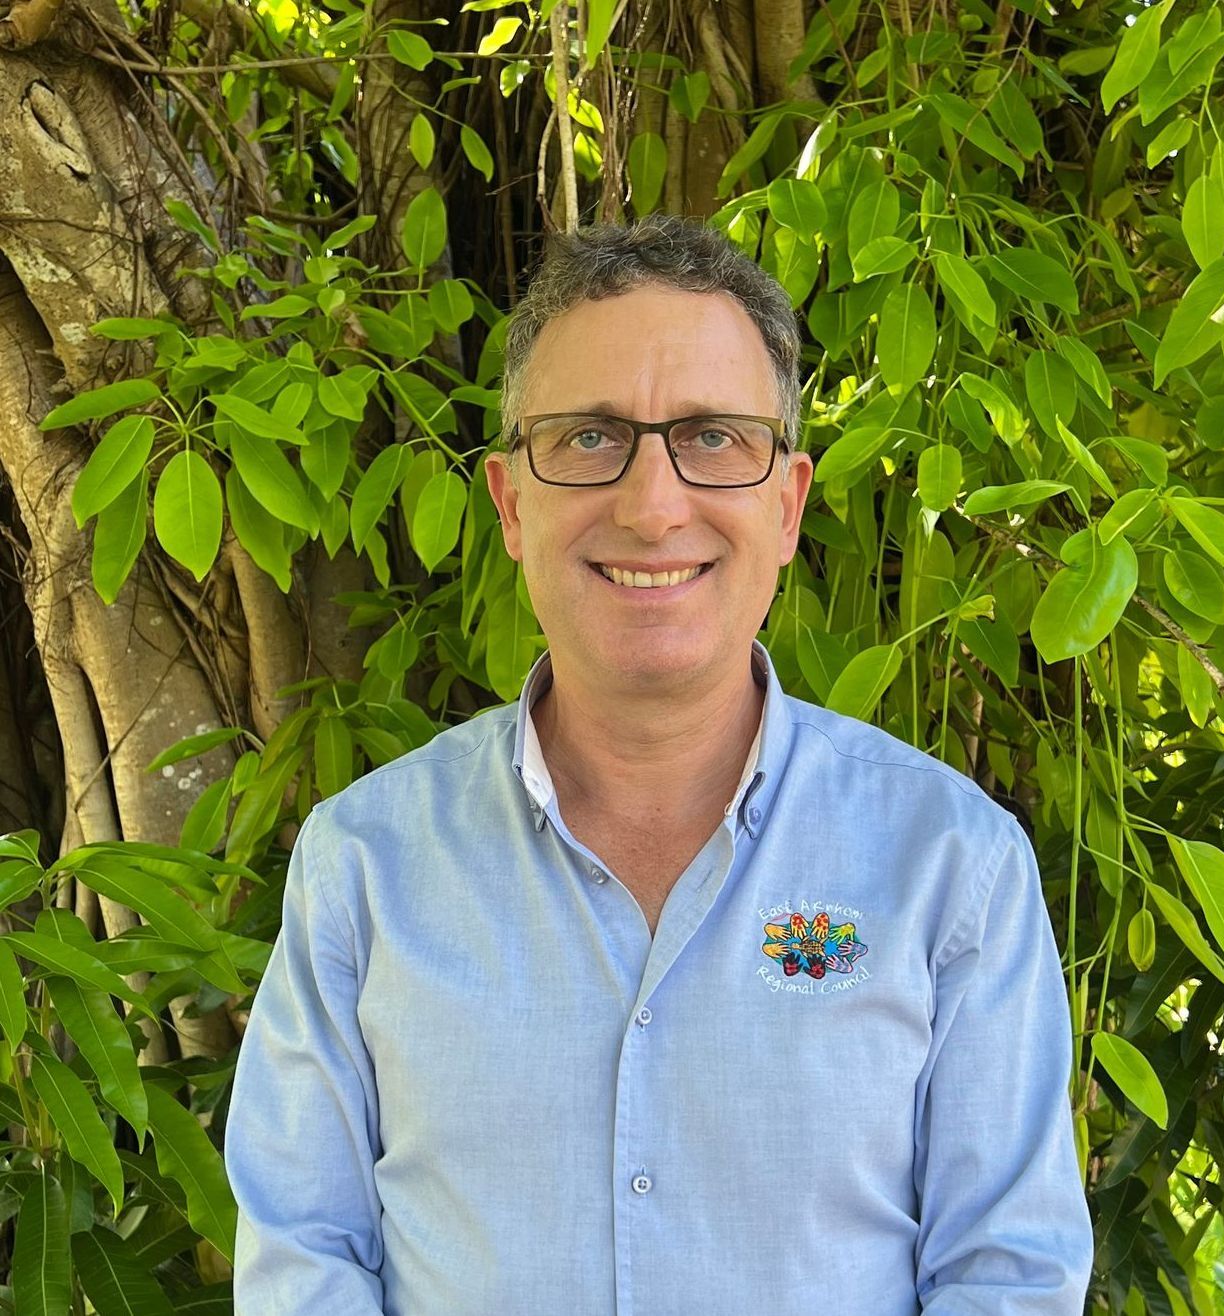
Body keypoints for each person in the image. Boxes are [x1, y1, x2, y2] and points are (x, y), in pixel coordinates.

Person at [224, 214, 1094, 1314]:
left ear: (785, 504)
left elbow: (1005, 1276)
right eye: (589, 437)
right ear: (508, 503)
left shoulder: (948, 863)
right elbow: (303, 1257)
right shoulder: (364, 864)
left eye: (713, 437)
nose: (650, 504)